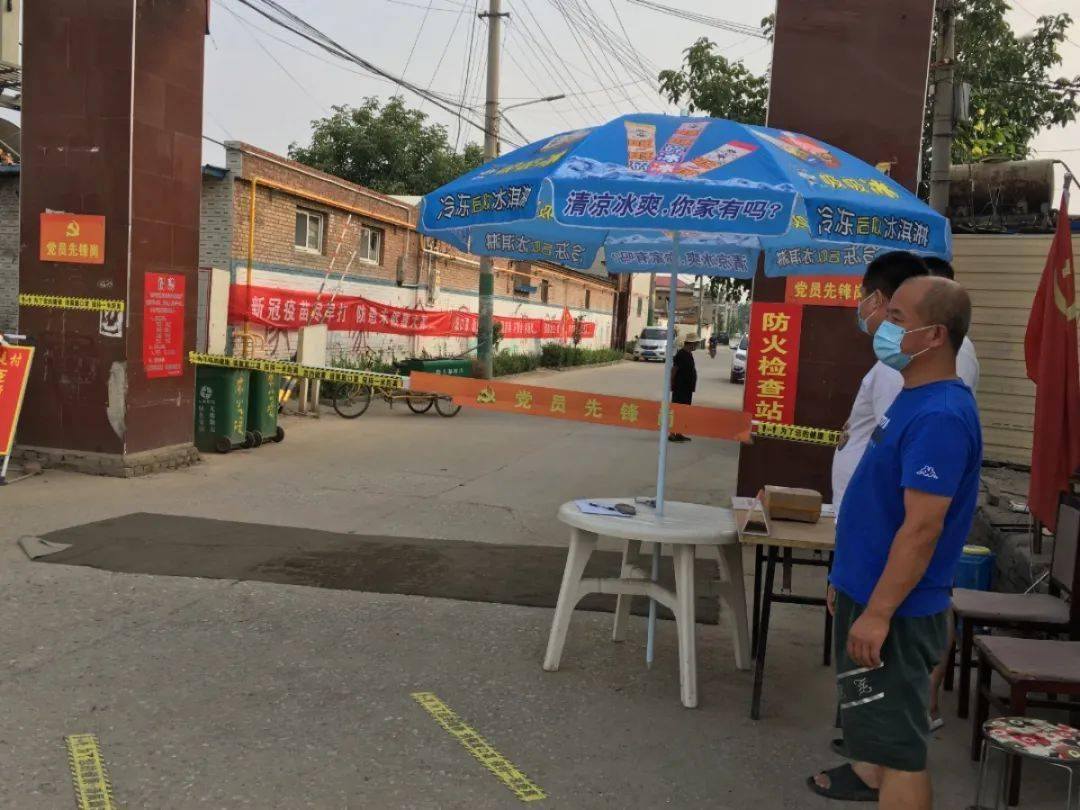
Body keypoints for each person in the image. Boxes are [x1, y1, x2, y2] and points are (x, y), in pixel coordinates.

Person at [809, 276, 983, 808]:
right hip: (865, 592)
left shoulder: (940, 416)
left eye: (899, 318)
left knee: (901, 749)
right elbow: (879, 504)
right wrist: (845, 580)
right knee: (873, 728)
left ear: (936, 336)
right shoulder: (912, 397)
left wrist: (880, 612)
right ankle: (869, 774)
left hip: (897, 615)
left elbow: (922, 528)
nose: (883, 325)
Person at [669, 334, 698, 442]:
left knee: (684, 411)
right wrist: (671, 383)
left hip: (687, 388)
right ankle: (672, 434)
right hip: (680, 387)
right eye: (696, 343)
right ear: (690, 344)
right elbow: (674, 370)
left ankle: (679, 432)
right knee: (677, 410)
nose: (697, 345)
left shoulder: (689, 354)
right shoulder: (680, 354)